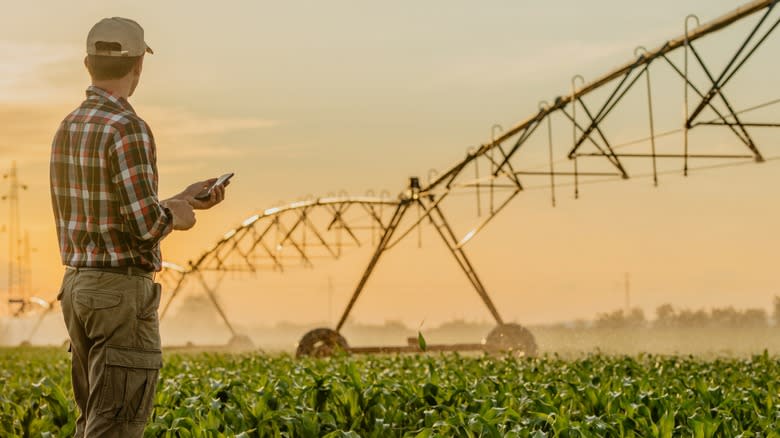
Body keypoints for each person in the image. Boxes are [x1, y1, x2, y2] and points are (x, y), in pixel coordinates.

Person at [50, 17, 227, 437]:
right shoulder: (128, 128)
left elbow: (109, 215)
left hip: (79, 288)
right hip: (119, 294)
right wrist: (179, 218)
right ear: (138, 67)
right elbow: (144, 224)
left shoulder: (69, 126)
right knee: (117, 426)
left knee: (92, 421)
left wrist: (180, 196)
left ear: (87, 63)